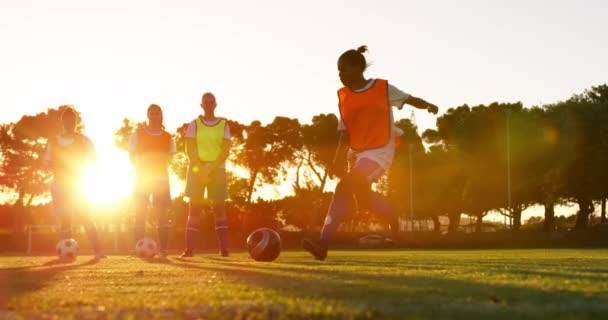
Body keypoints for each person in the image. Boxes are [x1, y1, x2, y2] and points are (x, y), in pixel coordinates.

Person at [302, 45, 439, 261]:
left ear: (359, 68)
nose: (341, 75)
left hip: (380, 151)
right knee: (361, 199)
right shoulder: (344, 97)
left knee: (344, 187)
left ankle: (322, 243)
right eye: (338, 71)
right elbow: (344, 133)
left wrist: (428, 105)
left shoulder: (382, 88)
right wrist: (337, 160)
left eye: (344, 70)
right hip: (356, 154)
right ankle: (391, 214)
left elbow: (409, 98)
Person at [45, 107, 105, 260]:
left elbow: (93, 159)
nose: (69, 121)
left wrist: (83, 172)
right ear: (62, 121)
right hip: (59, 185)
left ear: (77, 121)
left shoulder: (84, 140)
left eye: (73, 119)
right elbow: (48, 162)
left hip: (79, 185)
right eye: (66, 118)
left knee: (86, 216)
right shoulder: (53, 141)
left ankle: (98, 251)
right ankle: (66, 253)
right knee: (65, 219)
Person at [181, 92, 232, 258]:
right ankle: (189, 249)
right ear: (201, 105)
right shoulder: (194, 124)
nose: (209, 104)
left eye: (212, 102)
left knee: (219, 209)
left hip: (217, 170)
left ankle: (224, 249)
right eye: (206, 102)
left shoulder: (224, 124)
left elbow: (225, 150)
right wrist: (200, 168)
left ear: (215, 104)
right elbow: (190, 148)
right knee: (194, 209)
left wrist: (210, 168)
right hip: (197, 170)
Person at [128, 104, 176, 257]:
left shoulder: (168, 137)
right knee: (140, 213)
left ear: (161, 116)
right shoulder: (138, 134)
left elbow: (171, 158)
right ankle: (138, 248)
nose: (154, 115)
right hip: (142, 180)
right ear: (147, 115)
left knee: (162, 215)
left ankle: (163, 249)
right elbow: (131, 154)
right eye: (152, 113)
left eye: (157, 113)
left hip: (161, 180)